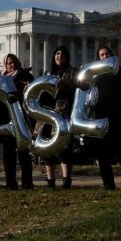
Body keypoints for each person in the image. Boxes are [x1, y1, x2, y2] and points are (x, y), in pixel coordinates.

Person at [91, 46, 121, 190]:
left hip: (116, 117)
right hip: (100, 118)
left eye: (107, 54)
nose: (104, 56)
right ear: (98, 58)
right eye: (101, 55)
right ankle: (108, 185)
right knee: (102, 155)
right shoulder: (94, 75)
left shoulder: (119, 72)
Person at [42, 46, 76, 189]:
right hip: (47, 114)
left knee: (64, 148)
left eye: (62, 53)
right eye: (56, 53)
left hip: (63, 113)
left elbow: (77, 89)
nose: (59, 56)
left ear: (67, 56)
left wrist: (65, 86)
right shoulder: (48, 73)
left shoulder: (72, 72)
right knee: (47, 149)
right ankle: (50, 182)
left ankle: (66, 181)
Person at [0, 54, 35, 190]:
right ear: (5, 66)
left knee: (23, 153)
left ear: (18, 63)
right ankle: (10, 183)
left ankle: (27, 184)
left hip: (22, 118)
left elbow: (30, 93)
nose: (11, 65)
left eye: (13, 62)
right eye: (8, 63)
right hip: (7, 119)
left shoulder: (26, 76)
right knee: (8, 154)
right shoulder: (2, 79)